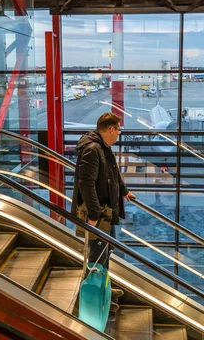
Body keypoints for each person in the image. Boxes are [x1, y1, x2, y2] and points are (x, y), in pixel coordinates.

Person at [71, 112, 136, 311]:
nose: (119, 134)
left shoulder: (103, 147)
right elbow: (86, 183)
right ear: (111, 129)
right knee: (96, 255)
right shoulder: (93, 149)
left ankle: (103, 288)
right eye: (118, 130)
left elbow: (112, 172)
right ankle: (94, 295)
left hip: (106, 212)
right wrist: (94, 214)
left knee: (104, 253)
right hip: (99, 215)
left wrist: (124, 191)